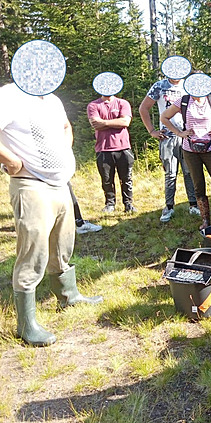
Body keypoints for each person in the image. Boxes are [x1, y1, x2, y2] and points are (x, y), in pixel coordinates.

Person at [0, 82, 103, 347]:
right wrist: (11, 161)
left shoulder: (51, 98)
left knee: (62, 243)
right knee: (34, 249)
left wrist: (65, 150)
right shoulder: (9, 95)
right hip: (30, 183)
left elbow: (66, 126)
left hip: (60, 183)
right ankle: (26, 324)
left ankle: (68, 296)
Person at [159, 80, 211, 228]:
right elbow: (164, 117)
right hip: (190, 150)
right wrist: (179, 133)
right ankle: (205, 220)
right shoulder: (184, 101)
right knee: (198, 185)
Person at [139, 75, 199, 222]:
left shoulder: (188, 85)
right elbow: (143, 108)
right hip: (168, 137)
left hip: (187, 136)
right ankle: (169, 207)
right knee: (170, 173)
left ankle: (193, 205)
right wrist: (152, 131)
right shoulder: (159, 86)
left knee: (189, 172)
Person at [87, 91, 136, 213]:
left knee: (126, 178)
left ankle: (128, 204)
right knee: (107, 179)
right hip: (103, 148)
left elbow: (125, 122)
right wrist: (116, 122)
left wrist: (104, 122)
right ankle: (110, 204)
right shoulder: (93, 105)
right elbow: (95, 125)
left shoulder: (123, 103)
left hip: (123, 147)